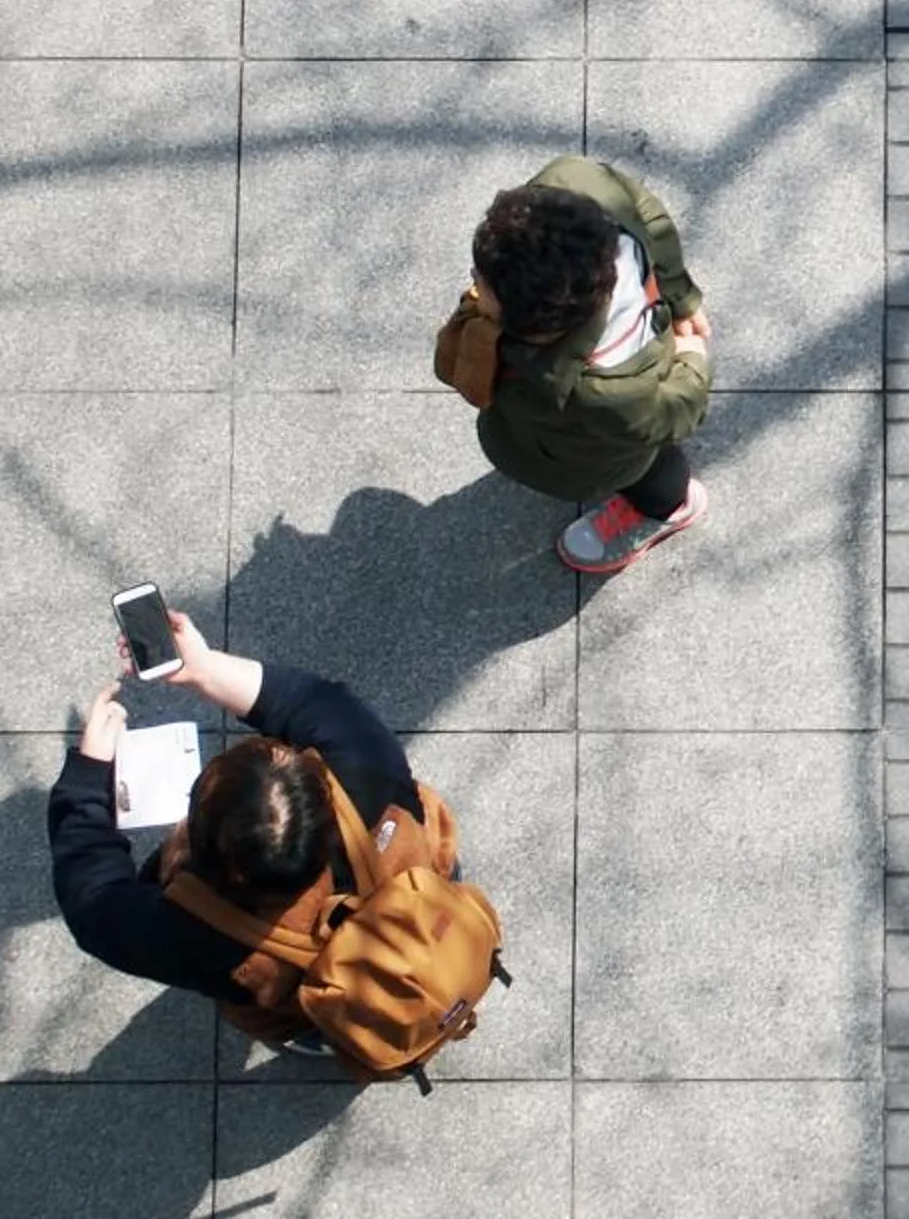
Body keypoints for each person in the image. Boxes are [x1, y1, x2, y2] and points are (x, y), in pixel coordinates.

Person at [49, 613, 437, 1051]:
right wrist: (206, 668)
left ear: (203, 847)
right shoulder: (368, 767)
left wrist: (88, 775)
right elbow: (314, 703)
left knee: (282, 1005)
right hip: (410, 899)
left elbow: (93, 904)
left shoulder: (202, 938)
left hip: (296, 983)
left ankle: (318, 1028)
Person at [444, 155, 714, 573]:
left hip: (597, 455)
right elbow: (648, 215)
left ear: (543, 330)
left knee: (650, 466)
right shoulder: (573, 187)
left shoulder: (600, 391)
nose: (475, 288)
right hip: (553, 428)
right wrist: (680, 295)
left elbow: (675, 411)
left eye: (484, 287)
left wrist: (693, 358)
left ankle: (666, 507)